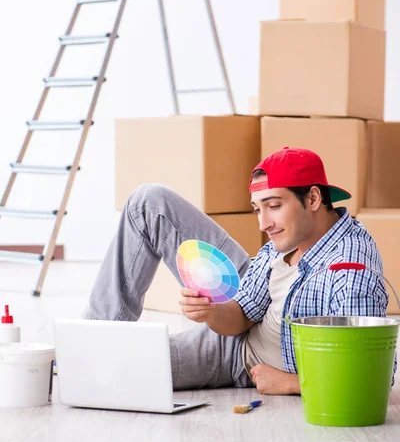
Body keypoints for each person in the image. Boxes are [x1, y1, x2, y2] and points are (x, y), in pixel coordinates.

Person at [83, 147, 391, 395]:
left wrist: (292, 383)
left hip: (240, 360)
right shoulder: (286, 238)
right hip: (247, 323)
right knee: (148, 202)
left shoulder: (351, 272)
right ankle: (89, 338)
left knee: (117, 368)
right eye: (258, 209)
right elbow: (243, 314)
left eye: (273, 206)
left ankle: (89, 354)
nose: (263, 224)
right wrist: (211, 312)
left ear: (312, 198)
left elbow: (370, 376)